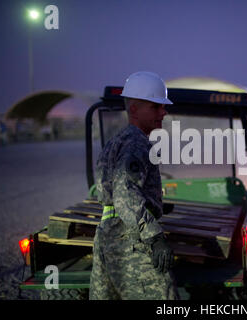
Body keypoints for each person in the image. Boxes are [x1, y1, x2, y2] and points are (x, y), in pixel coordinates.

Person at [89, 71, 178, 300]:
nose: (163, 111)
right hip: (131, 241)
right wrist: (154, 237)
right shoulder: (136, 143)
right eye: (156, 106)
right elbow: (125, 194)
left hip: (108, 236)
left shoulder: (117, 141)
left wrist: (153, 204)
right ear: (135, 109)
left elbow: (113, 191)